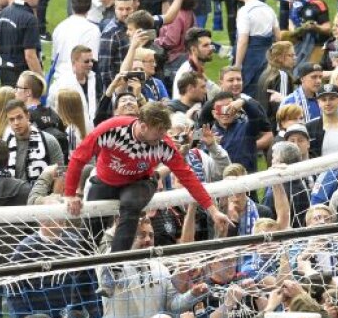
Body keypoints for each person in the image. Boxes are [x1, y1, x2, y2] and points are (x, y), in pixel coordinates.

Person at [64, 102, 227, 253]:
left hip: (141, 182)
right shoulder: (111, 130)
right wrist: (70, 194)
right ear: (143, 126)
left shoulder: (164, 145)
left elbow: (187, 177)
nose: (161, 140)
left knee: (130, 204)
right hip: (105, 182)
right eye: (157, 135)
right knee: (90, 234)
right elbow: (79, 157)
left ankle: (115, 263)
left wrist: (213, 211)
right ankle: (80, 272)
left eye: (164, 134)